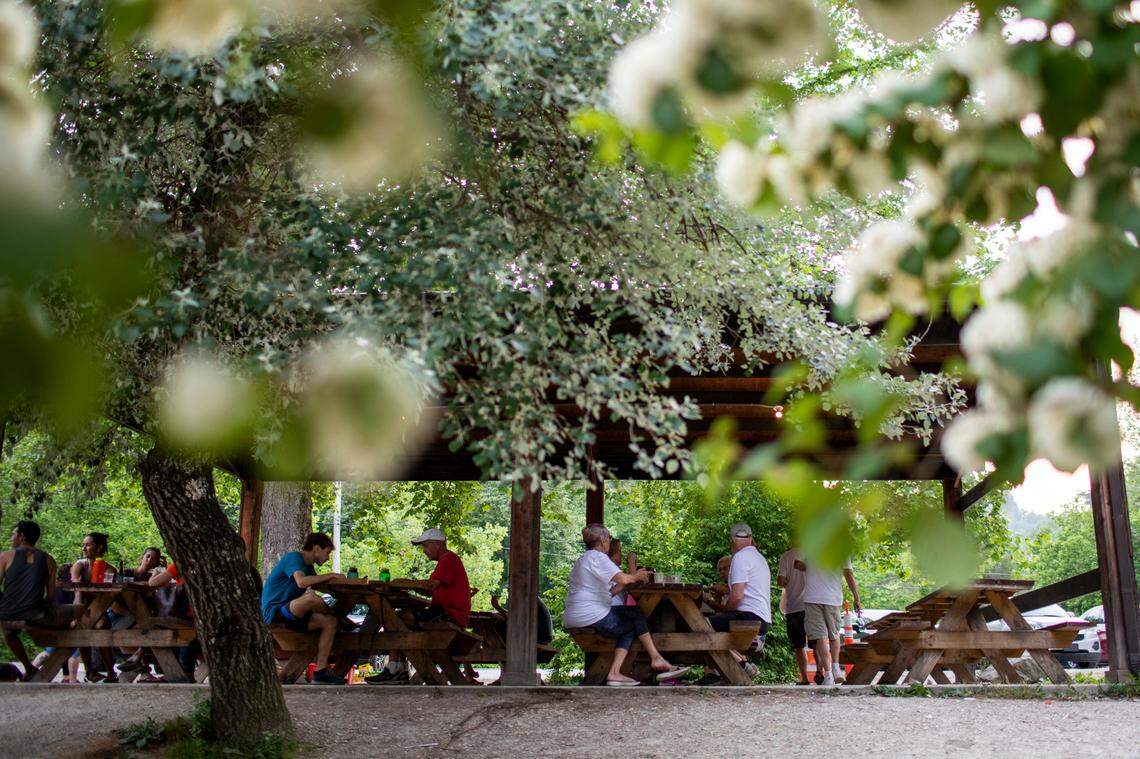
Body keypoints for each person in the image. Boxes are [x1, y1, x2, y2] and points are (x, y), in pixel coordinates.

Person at [563, 523, 690, 686]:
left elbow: (610, 592)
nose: (609, 541)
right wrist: (636, 575)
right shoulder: (598, 557)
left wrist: (631, 578)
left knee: (633, 616)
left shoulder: (584, 559)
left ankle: (629, 668)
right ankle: (652, 660)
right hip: (590, 615)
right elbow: (623, 578)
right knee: (633, 621)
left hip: (576, 615)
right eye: (609, 538)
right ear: (602, 540)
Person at [261, 532, 347, 685]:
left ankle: (320, 672)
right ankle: (343, 619)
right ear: (316, 549)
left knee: (330, 622)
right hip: (275, 612)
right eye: (327, 553)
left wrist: (340, 587)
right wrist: (330, 575)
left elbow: (319, 585)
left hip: (293, 614)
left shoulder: (309, 567)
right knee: (310, 598)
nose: (327, 558)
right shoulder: (294, 558)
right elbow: (301, 582)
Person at [0, 521, 83, 679]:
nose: (11, 538)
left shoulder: (5, 557)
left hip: (9, 614)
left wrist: (5, 605)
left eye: (14, 534)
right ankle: (65, 638)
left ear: (22, 537)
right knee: (80, 609)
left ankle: (28, 666)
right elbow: (51, 596)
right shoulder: (48, 560)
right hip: (38, 613)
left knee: (8, 632)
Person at [798, 554, 861, 685]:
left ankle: (828, 674)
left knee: (821, 637)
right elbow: (848, 573)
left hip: (813, 597)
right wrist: (856, 596)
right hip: (832, 598)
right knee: (833, 635)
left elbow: (799, 565)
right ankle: (835, 668)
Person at [707, 524, 771, 638]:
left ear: (732, 540)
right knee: (707, 623)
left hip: (749, 617)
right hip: (763, 619)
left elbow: (737, 597)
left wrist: (724, 612)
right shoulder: (760, 558)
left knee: (699, 624)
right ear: (750, 538)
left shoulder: (740, 556)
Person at [69, 532, 116, 682]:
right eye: (83, 545)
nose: (84, 548)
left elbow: (108, 594)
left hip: (101, 610)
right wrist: (76, 613)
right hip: (81, 607)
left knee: (100, 627)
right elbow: (77, 587)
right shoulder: (79, 565)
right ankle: (89, 670)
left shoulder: (109, 569)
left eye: (88, 545)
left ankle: (110, 672)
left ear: (99, 547)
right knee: (82, 625)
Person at [412, 527, 471, 627]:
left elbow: (430, 585)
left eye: (425, 546)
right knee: (408, 615)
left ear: (438, 544)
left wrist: (404, 584)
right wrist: (409, 587)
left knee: (404, 616)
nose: (424, 551)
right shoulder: (446, 560)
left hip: (451, 615)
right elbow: (429, 592)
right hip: (448, 613)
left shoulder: (449, 558)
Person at [776, 546, 810, 686]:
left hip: (794, 605)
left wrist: (789, 581)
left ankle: (805, 678)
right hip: (813, 603)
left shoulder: (786, 556)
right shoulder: (814, 552)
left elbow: (781, 581)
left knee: (799, 645)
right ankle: (824, 673)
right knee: (818, 641)